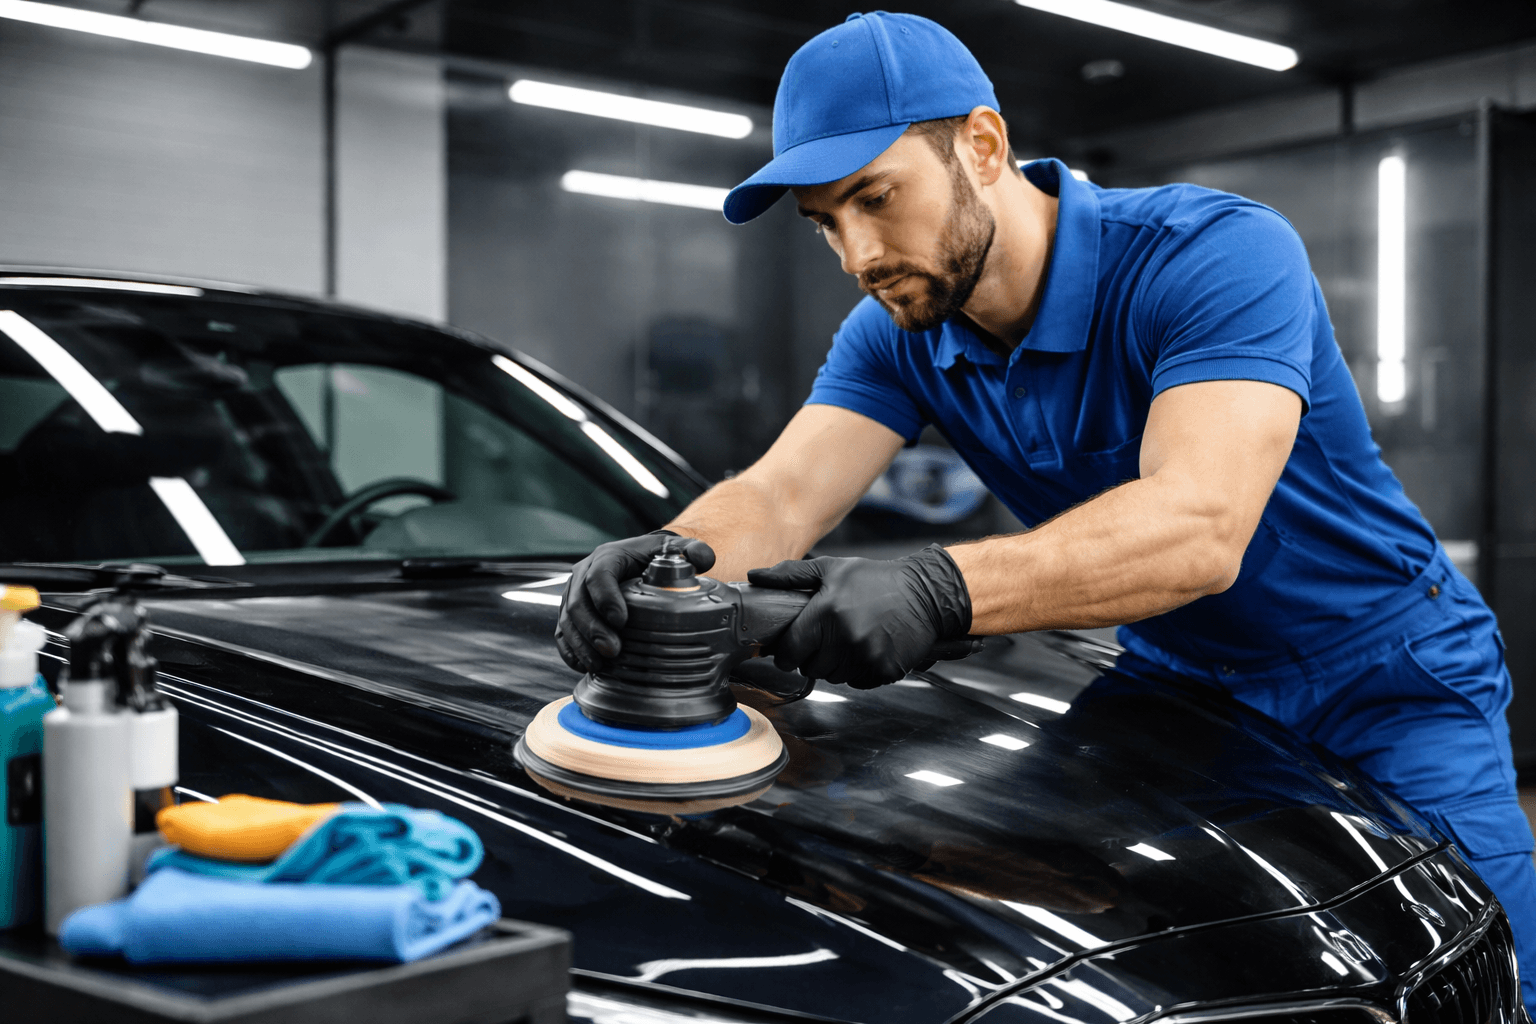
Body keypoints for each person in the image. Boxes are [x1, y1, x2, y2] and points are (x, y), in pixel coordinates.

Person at [556, 11, 1536, 1005]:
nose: (856, 254)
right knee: (1160, 959)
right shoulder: (897, 329)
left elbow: (1200, 526)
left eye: (875, 198)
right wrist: (673, 557)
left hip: (1386, 674)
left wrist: (942, 589)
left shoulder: (1211, 256)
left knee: (1477, 966)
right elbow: (782, 491)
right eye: (825, 223)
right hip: (1180, 676)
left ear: (981, 145)